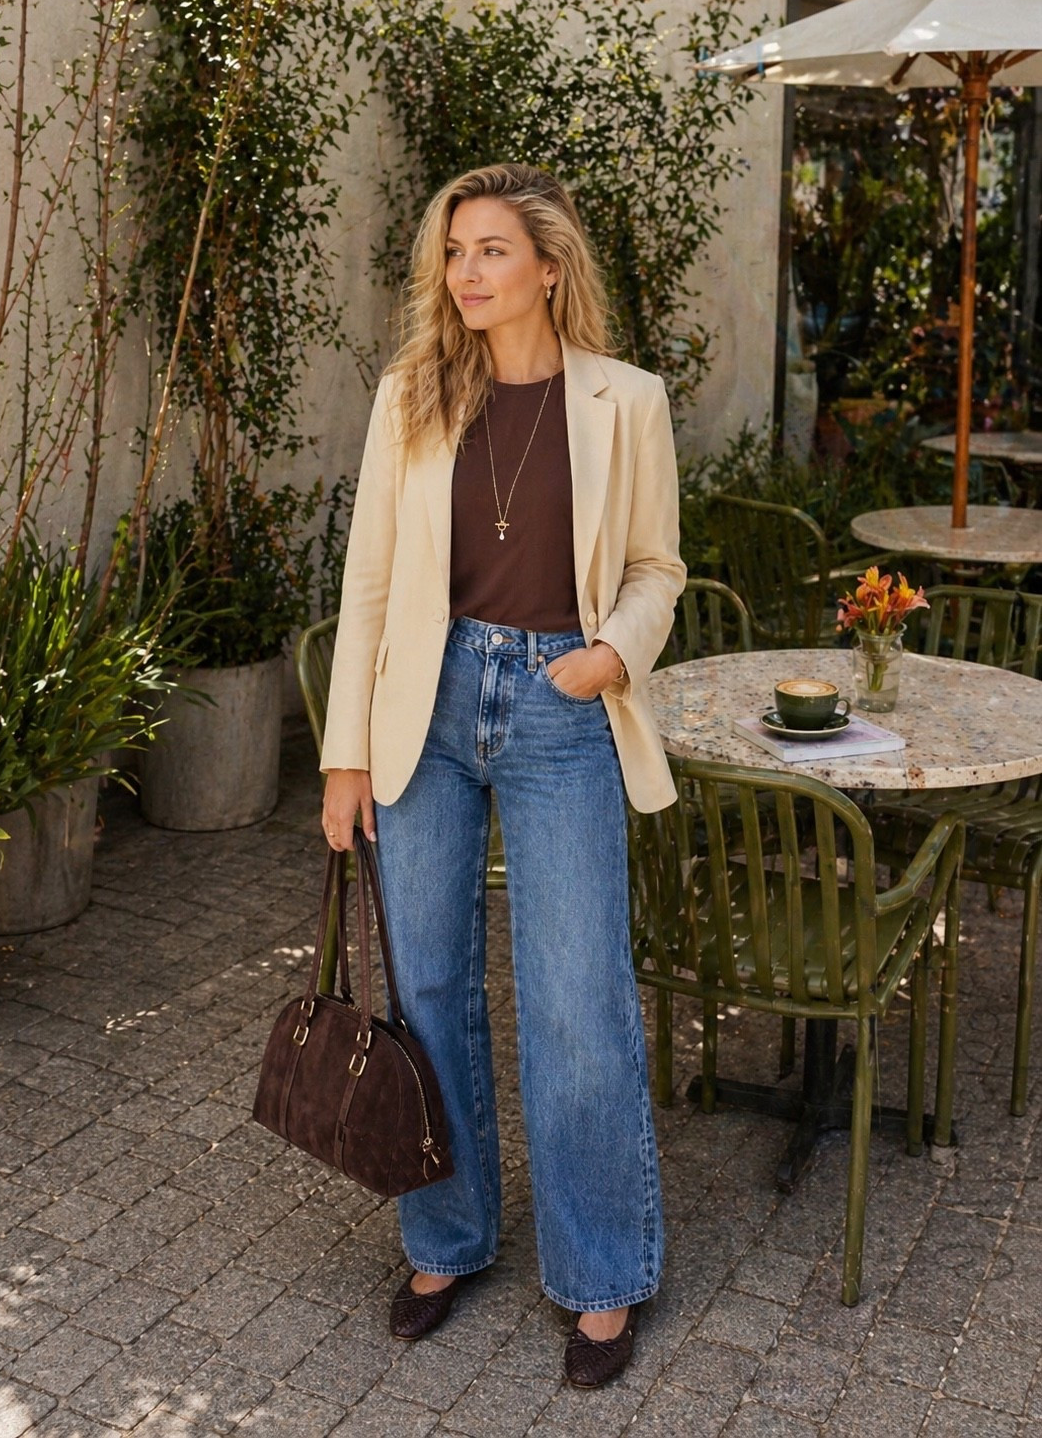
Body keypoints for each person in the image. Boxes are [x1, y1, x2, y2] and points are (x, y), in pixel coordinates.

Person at [320, 163, 685, 1388]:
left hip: (556, 706)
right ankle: (448, 1236)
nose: (466, 272)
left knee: (577, 1001)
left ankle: (601, 1272)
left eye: (490, 251)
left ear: (549, 265)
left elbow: (657, 570)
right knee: (428, 986)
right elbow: (368, 581)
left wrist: (602, 660)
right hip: (424, 710)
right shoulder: (411, 394)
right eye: (455, 252)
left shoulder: (626, 400)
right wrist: (345, 752)